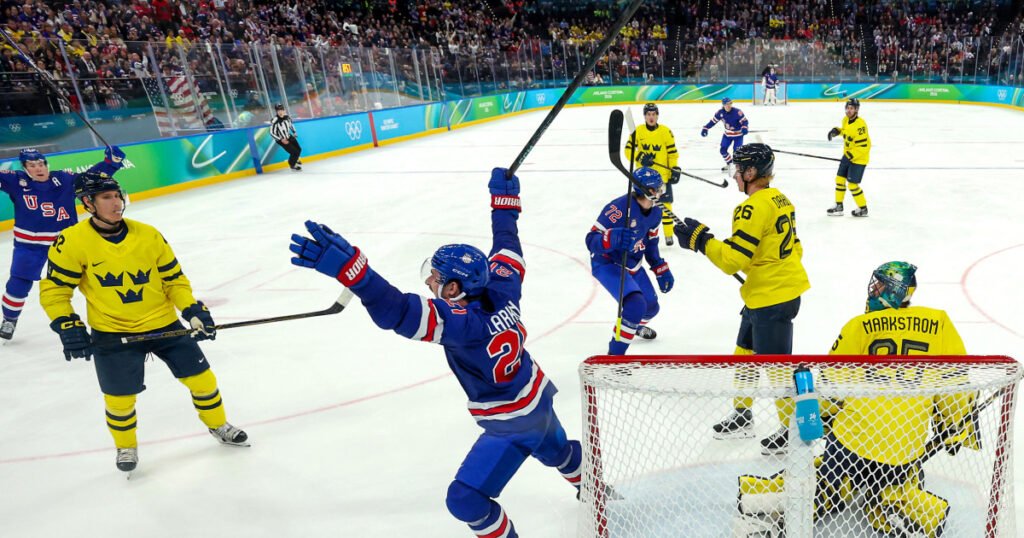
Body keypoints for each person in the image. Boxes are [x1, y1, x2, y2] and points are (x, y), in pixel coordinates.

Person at [288, 167, 582, 538]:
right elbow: (507, 243)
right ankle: (594, 490)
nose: (430, 280)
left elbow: (398, 312)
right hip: (537, 398)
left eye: (437, 277)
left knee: (465, 500)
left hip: (512, 421)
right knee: (558, 452)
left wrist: (357, 275)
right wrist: (504, 204)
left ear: (455, 289)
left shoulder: (462, 323)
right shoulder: (503, 285)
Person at [736, 262, 975, 537]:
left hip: (852, 446)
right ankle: (911, 507)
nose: (874, 290)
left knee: (830, 479)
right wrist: (954, 426)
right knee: (900, 481)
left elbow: (829, 389)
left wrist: (825, 419)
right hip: (904, 450)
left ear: (896, 291)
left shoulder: (859, 326)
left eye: (880, 285)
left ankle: (776, 499)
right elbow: (956, 385)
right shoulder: (940, 323)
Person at [39, 173, 249, 474]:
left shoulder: (148, 234)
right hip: (113, 332)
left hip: (164, 324)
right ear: (88, 203)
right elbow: (55, 290)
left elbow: (174, 280)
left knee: (203, 380)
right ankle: (125, 446)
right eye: (107, 197)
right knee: (119, 399)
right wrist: (66, 323)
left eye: (117, 195)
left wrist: (191, 309)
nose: (117, 203)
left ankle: (219, 425)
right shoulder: (71, 241)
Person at [673, 144, 810, 455]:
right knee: (744, 353)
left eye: (739, 169)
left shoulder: (750, 208)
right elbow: (790, 250)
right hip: (768, 293)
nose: (735, 174)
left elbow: (732, 260)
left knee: (777, 369)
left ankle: (791, 431)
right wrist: (760, 270)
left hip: (771, 299)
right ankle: (743, 413)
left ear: (751, 173)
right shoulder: (781, 200)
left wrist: (702, 242)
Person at [0, 146, 125, 341]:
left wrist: (111, 163)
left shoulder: (64, 179)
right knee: (19, 283)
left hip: (67, 243)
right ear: (24, 168)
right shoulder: (16, 180)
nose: (38, 168)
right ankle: (9, 319)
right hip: (30, 246)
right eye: (32, 165)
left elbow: (89, 178)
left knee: (97, 276)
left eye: (41, 163)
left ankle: (118, 313)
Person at [585, 167, 674, 355]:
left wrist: (659, 267)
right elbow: (591, 241)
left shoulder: (656, 212)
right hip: (608, 263)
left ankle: (633, 326)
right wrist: (611, 238)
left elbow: (651, 243)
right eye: (659, 188)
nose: (661, 192)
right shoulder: (618, 209)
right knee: (636, 305)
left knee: (651, 308)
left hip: (633, 262)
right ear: (649, 191)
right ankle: (614, 357)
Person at [625, 102, 681, 246]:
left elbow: (672, 154)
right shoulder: (638, 131)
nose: (651, 117)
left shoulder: (665, 132)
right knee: (642, 207)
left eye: (653, 114)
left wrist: (674, 168)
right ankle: (641, 235)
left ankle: (668, 235)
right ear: (645, 116)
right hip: (642, 179)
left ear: (657, 116)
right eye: (648, 114)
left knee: (666, 206)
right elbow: (628, 150)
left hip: (662, 177)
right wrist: (639, 157)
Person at [827, 98, 872, 217]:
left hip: (859, 159)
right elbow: (846, 132)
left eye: (851, 108)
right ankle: (839, 206)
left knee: (852, 185)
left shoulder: (860, 125)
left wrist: (849, 156)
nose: (849, 110)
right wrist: (837, 131)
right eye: (847, 108)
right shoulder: (845, 120)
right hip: (848, 156)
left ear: (856, 110)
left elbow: (864, 146)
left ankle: (863, 208)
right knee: (839, 180)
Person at [701, 97, 749, 171]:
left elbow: (745, 121)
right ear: (723, 105)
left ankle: (737, 165)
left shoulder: (737, 112)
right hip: (727, 135)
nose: (729, 105)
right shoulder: (720, 113)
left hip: (738, 136)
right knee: (723, 150)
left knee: (737, 152)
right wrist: (706, 128)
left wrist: (744, 127)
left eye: (730, 103)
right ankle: (730, 164)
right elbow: (713, 121)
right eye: (727, 104)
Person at [270, 103, 302, 171]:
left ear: (284, 110)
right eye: (278, 110)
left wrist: (294, 132)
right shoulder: (275, 120)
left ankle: (295, 159)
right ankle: (292, 165)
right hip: (281, 140)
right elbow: (272, 133)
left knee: (299, 149)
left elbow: (291, 125)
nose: (280, 111)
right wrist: (281, 139)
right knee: (294, 152)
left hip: (288, 136)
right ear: (276, 111)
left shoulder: (287, 117)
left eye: (281, 110)